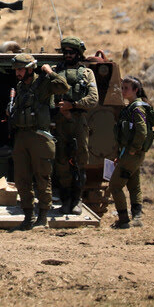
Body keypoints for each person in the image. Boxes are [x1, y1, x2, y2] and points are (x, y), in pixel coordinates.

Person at [9, 53, 69, 231]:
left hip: (40, 137)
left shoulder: (44, 83)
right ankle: (28, 216)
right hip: (22, 136)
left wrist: (50, 72)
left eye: (20, 69)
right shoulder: (20, 87)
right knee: (21, 179)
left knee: (42, 178)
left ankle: (43, 217)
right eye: (16, 70)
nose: (17, 73)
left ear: (30, 69)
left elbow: (63, 87)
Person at [52, 37, 99, 215]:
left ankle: (77, 200)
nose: (68, 55)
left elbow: (93, 99)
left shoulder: (86, 73)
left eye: (72, 52)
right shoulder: (56, 71)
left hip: (78, 121)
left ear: (78, 54)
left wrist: (73, 105)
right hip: (60, 121)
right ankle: (66, 200)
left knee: (80, 162)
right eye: (65, 52)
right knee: (62, 162)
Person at [110, 76, 149, 229]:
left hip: (132, 154)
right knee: (134, 185)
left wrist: (133, 149)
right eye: (122, 88)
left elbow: (142, 131)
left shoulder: (136, 108)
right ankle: (137, 218)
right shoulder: (131, 107)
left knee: (115, 186)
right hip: (130, 154)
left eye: (126, 88)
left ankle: (124, 219)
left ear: (136, 90)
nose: (123, 91)